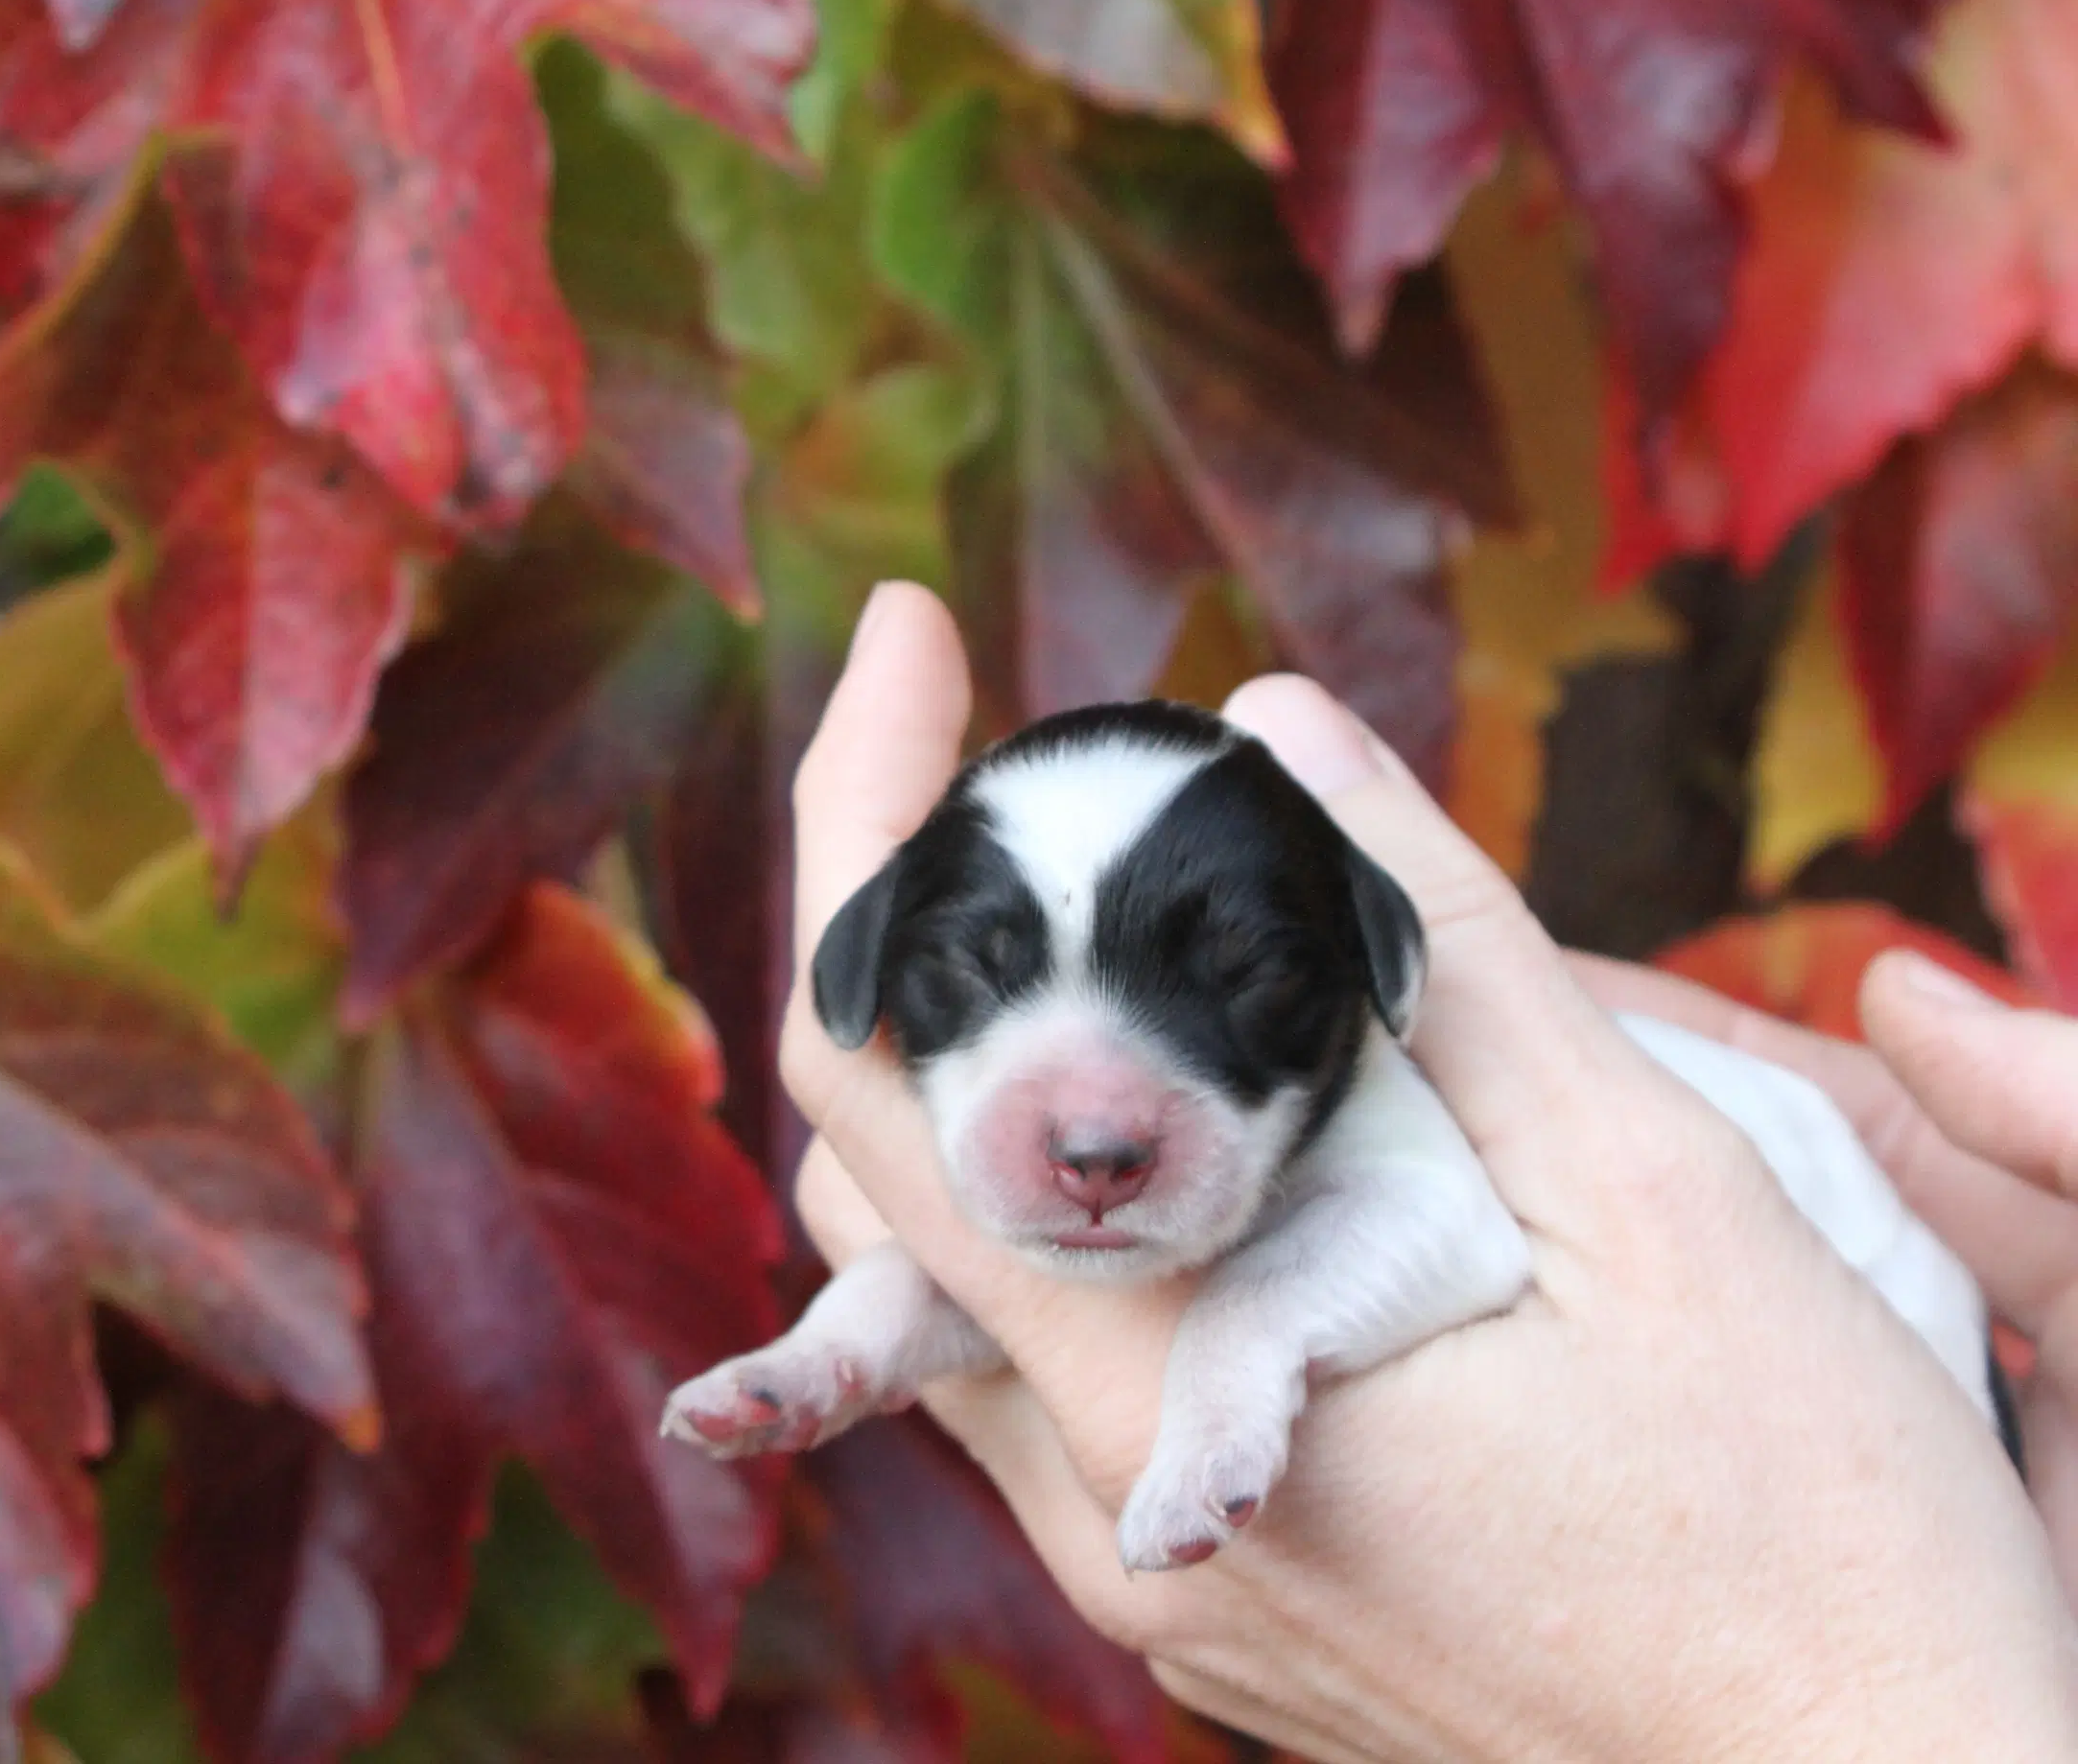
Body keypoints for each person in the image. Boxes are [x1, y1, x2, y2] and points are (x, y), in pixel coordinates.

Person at [779, 582, 2078, 1763]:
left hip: (1914, 1390)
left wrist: (1791, 1712)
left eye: (1246, 980)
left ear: (1376, 971)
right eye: (975, 974)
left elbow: (1447, 1233)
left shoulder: (1407, 1111)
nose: (1100, 1127)